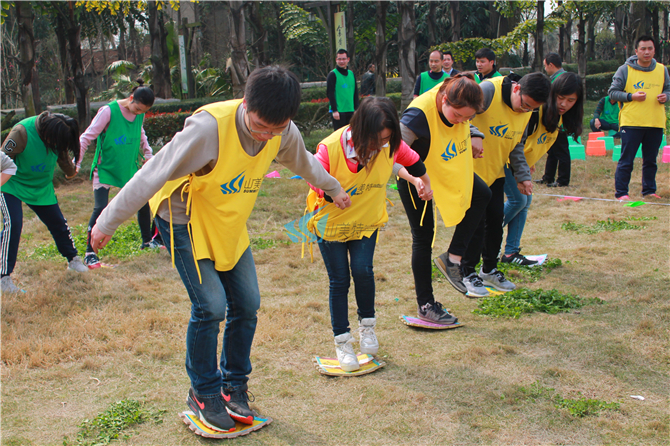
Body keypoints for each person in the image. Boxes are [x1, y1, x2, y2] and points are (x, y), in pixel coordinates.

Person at [89, 66, 351, 433]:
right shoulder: (209, 128)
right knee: (211, 305)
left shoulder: (282, 131)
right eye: (260, 126)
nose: (266, 137)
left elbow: (304, 162)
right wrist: (106, 221)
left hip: (227, 221)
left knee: (247, 303)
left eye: (275, 130)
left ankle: (234, 386)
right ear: (245, 104)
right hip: (184, 218)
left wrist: (334, 188)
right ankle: (204, 392)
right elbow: (154, 173)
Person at [307, 97, 431, 371]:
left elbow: (414, 162)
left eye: (386, 139)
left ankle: (367, 327)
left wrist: (423, 182)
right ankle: (342, 342)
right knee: (339, 280)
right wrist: (330, 192)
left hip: (365, 221)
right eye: (376, 140)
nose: (381, 146)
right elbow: (313, 175)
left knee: (363, 271)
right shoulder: (330, 147)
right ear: (360, 129)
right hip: (333, 224)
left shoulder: (390, 145)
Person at [399, 73, 487, 317]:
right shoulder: (416, 116)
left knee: (482, 194)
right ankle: (426, 305)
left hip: (445, 164)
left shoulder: (458, 88)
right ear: (444, 99)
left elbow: (467, 118)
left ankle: (453, 258)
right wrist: (416, 179)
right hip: (415, 174)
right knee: (423, 236)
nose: (461, 122)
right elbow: (391, 153)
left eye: (466, 118)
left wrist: (475, 133)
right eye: (457, 116)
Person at [456, 72, 550, 297]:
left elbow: (517, 143)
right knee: (475, 225)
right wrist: (473, 133)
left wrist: (523, 175)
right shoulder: (488, 91)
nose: (525, 111)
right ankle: (466, 273)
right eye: (525, 105)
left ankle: (489, 269)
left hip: (495, 172)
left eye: (531, 109)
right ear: (517, 89)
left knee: (495, 221)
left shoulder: (527, 111)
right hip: (470, 171)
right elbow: (459, 116)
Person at [1, 112, 88, 294]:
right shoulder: (21, 132)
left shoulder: (56, 133)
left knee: (58, 223)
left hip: (41, 186)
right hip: (13, 184)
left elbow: (63, 156)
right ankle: (3, 278)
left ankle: (73, 260)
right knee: (14, 225)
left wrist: (71, 171)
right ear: (48, 134)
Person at [503, 72, 583, 266]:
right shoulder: (535, 111)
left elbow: (537, 143)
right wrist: (521, 170)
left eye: (570, 100)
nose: (564, 104)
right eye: (560, 98)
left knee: (524, 202)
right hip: (505, 160)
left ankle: (511, 254)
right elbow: (516, 143)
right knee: (518, 200)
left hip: (520, 164)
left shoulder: (560, 117)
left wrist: (530, 161)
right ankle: (481, 236)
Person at [79, 79, 158, 269]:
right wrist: (77, 162)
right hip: (105, 168)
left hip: (128, 168)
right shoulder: (108, 111)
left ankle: (147, 242)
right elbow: (86, 137)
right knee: (101, 208)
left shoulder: (139, 114)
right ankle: (90, 253)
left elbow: (140, 134)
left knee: (143, 202)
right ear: (131, 98)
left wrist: (149, 154)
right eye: (137, 109)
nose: (139, 114)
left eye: (143, 112)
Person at [609, 35, 670, 200]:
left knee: (650, 161)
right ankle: (621, 193)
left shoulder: (662, 69)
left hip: (655, 122)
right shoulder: (625, 69)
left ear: (654, 50)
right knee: (626, 160)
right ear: (636, 51)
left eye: (650, 48)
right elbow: (613, 93)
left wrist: (666, 96)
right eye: (643, 48)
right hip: (632, 123)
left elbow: (668, 90)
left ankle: (649, 191)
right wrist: (631, 96)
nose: (647, 52)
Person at [537, 53, 571, 187]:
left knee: (561, 150)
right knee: (551, 149)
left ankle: (562, 180)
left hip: (560, 121)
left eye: (545, 66)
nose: (545, 69)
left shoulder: (563, 79)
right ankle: (548, 177)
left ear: (551, 65)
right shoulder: (556, 78)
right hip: (552, 119)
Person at [327, 49, 360, 130]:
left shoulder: (351, 74)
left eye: (344, 59)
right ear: (336, 60)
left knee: (351, 135)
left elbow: (355, 92)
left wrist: (357, 109)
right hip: (339, 112)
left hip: (351, 110)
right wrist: (334, 110)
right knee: (340, 137)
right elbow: (330, 93)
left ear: (348, 59)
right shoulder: (332, 74)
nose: (341, 61)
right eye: (339, 59)